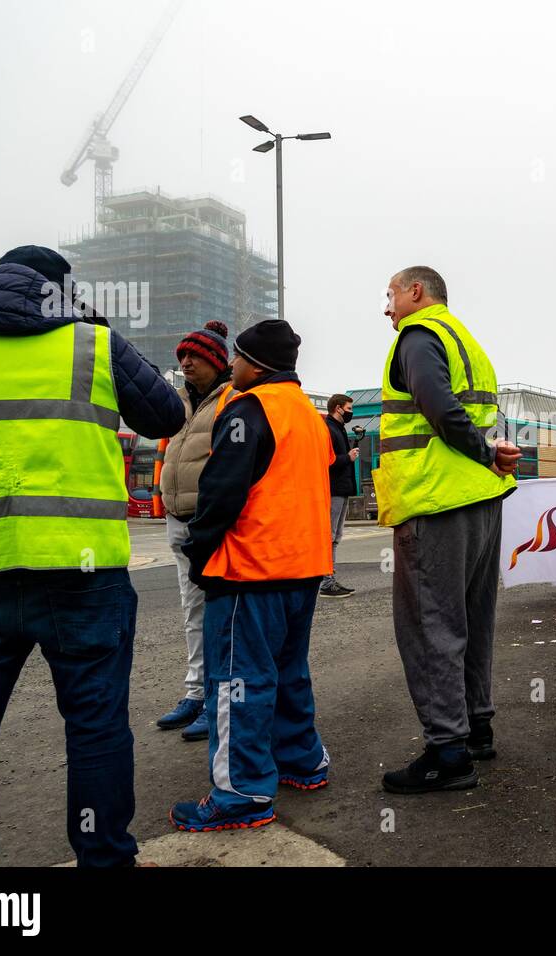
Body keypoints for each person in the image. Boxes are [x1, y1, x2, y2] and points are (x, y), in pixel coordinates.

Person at [0, 245, 185, 866]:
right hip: (82, 575)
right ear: (59, 292)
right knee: (96, 726)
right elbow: (164, 414)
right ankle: (105, 859)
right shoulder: (92, 345)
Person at [171, 318, 334, 832]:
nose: (231, 365)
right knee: (287, 671)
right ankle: (303, 761)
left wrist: (199, 552)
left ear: (254, 364)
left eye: (236, 357)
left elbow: (220, 493)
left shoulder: (248, 409)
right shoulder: (308, 415)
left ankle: (241, 792)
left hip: (251, 568)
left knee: (238, 681)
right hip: (303, 565)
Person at [376, 266, 521, 794]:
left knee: (431, 626)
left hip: (435, 503)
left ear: (416, 292)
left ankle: (447, 752)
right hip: (481, 499)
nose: (386, 307)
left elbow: (440, 409)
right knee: (472, 620)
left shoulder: (418, 338)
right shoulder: (465, 340)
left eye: (390, 294)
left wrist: (484, 451)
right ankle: (476, 728)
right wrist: (488, 456)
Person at [154, 320, 234, 741]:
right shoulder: (178, 402)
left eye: (195, 355)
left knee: (219, 616)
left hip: (213, 527)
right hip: (178, 520)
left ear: (216, 361)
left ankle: (216, 699)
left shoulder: (231, 400)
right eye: (182, 355)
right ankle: (195, 693)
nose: (185, 362)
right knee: (193, 613)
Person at [318, 393, 359, 598]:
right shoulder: (329, 429)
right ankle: (326, 581)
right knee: (330, 536)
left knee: (335, 536)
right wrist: (348, 458)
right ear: (338, 408)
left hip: (341, 489)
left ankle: (328, 579)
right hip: (333, 489)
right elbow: (327, 461)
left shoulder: (338, 429)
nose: (351, 413)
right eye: (349, 409)